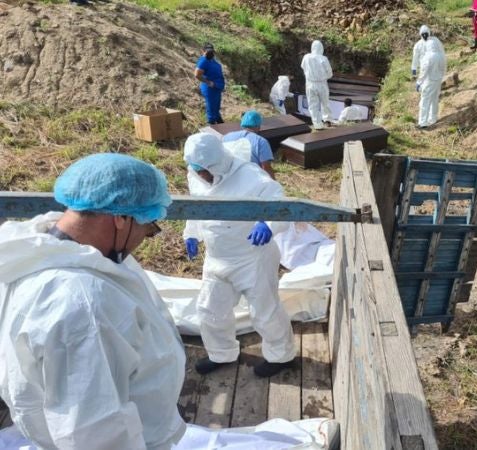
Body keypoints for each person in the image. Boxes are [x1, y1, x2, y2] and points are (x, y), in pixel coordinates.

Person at [0, 154, 185, 449]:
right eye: (148, 227)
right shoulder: (84, 304)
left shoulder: (39, 248)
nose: (145, 237)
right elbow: (94, 431)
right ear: (121, 219)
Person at [183, 132, 296, 377]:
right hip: (216, 256)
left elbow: (282, 205)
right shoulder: (196, 175)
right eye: (196, 170)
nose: (201, 175)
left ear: (217, 163)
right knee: (210, 308)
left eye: (204, 171)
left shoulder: (252, 177)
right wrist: (191, 233)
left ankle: (281, 356)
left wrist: (268, 223)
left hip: (251, 256)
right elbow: (196, 206)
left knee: (264, 311)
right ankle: (221, 353)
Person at [222, 110, 276, 179]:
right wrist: (273, 184)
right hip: (251, 180)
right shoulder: (261, 142)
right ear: (258, 125)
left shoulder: (226, 137)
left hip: (228, 178)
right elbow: (266, 168)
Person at [300, 40, 333, 130]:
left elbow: (303, 67)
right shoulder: (323, 59)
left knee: (313, 104)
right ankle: (327, 120)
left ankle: (317, 124)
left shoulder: (306, 57)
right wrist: (323, 77)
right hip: (322, 84)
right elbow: (330, 73)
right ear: (321, 48)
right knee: (325, 102)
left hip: (310, 84)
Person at [417, 37, 446, 129]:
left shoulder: (428, 57)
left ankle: (423, 123)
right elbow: (443, 69)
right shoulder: (441, 56)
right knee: (434, 99)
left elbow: (424, 71)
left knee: (424, 101)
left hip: (429, 81)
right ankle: (433, 118)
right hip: (437, 80)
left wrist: (419, 82)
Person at [195, 43, 225, 125]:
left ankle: (220, 124)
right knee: (211, 109)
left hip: (217, 87)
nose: (210, 52)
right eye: (207, 51)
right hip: (210, 89)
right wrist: (208, 82)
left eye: (211, 50)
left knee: (216, 108)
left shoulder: (212, 60)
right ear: (203, 51)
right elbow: (197, 74)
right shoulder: (203, 60)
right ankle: (211, 127)